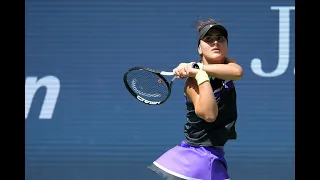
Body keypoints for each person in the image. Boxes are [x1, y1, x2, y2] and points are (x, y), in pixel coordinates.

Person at [148, 18, 243, 180]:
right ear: (200, 48)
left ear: (226, 45)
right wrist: (200, 75)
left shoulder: (229, 64)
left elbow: (237, 72)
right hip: (198, 159)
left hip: (212, 155)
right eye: (208, 39)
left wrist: (198, 68)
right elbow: (209, 115)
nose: (215, 42)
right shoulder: (192, 84)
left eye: (220, 38)